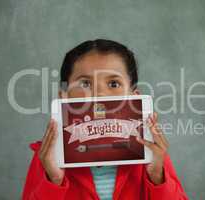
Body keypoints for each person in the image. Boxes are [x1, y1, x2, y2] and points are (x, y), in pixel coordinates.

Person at [22, 39, 189, 200]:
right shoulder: (47, 156)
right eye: (85, 83)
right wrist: (53, 181)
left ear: (134, 97)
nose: (99, 94)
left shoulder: (152, 152)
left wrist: (157, 176)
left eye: (114, 84)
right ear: (64, 97)